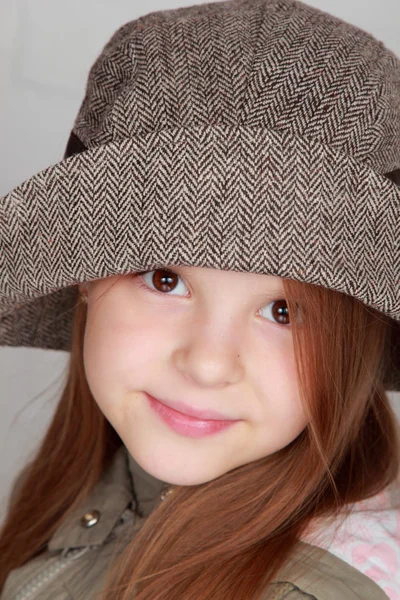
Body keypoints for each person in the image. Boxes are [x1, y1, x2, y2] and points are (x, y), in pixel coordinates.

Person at [0, 0, 399, 598]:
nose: (208, 363)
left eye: (283, 312)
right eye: (167, 280)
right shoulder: (97, 491)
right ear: (86, 270)